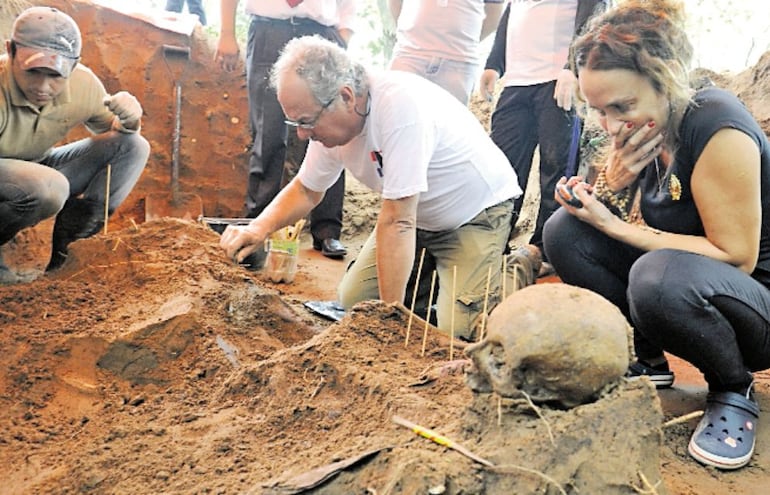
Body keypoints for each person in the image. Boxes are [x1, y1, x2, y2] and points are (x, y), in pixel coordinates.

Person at [543, 0, 770, 470]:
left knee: (656, 276)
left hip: (755, 303)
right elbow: (610, 221)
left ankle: (732, 386)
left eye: (621, 107)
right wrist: (605, 190)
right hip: (696, 281)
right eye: (598, 110)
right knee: (564, 231)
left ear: (665, 77)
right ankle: (647, 361)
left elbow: (736, 256)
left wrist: (615, 225)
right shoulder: (647, 128)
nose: (609, 125)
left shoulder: (715, 124)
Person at [220, 35, 522, 340]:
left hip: (474, 216)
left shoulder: (399, 110)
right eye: (295, 123)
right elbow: (307, 190)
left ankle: (516, 269)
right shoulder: (328, 121)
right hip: (416, 222)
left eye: (306, 122)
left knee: (458, 336)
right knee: (355, 304)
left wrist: (390, 320)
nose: (301, 134)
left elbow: (397, 221)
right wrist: (258, 229)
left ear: (347, 97)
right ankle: (434, 285)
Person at [0, 6, 149, 283]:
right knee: (48, 185)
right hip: (21, 178)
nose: (43, 86)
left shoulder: (84, 84)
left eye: (56, 75)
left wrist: (130, 119)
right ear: (11, 50)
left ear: (74, 63)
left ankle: (69, 260)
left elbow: (117, 134)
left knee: (133, 146)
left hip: (36, 166)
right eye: (34, 71)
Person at [215, 0, 355, 263]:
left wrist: (343, 35)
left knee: (328, 131)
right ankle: (257, 224)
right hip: (269, 30)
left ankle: (327, 230)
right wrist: (226, 32)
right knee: (266, 133)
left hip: (320, 32)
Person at [480, 0, 608, 276]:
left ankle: (545, 250)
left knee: (556, 169)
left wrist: (573, 66)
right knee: (501, 171)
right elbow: (511, 13)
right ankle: (493, 246)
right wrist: (493, 63)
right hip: (516, 83)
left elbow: (595, 11)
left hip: (557, 81)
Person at [387, 0, 505, 105]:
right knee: (396, 118)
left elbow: (494, 14)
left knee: (449, 126)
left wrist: (463, 42)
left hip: (459, 63)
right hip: (409, 56)